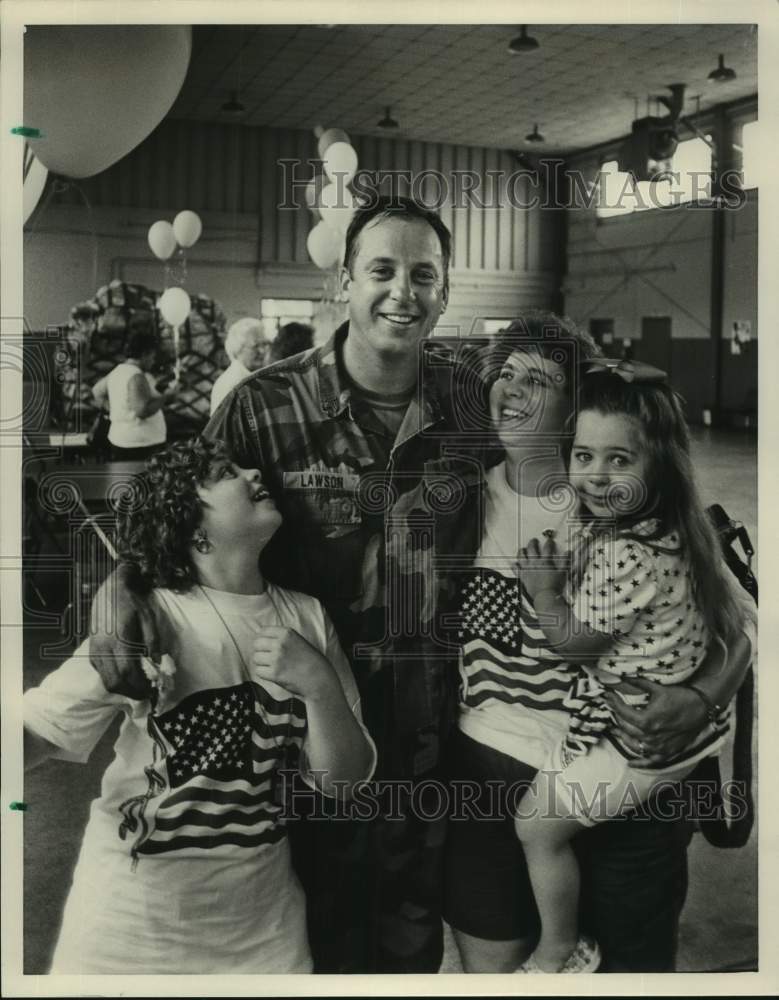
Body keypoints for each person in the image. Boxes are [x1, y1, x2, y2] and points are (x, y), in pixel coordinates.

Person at [87, 204, 752, 974]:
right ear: (344, 281)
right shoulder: (264, 408)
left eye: (423, 275)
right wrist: (116, 595)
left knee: (416, 949)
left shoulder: (477, 405)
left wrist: (706, 690)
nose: (401, 291)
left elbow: (694, 560)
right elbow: (175, 519)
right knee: (317, 943)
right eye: (381, 269)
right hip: (315, 742)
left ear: (443, 294)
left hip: (446, 749)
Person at [430, 318, 756, 973]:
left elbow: (742, 622)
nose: (513, 389)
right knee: (495, 967)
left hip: (622, 780)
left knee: (626, 971)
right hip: (485, 774)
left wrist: (701, 695)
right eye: (505, 374)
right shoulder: (455, 499)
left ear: (574, 402)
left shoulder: (630, 504)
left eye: (539, 377)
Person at [23, 436, 375, 974]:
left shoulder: (307, 617)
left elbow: (345, 782)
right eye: (224, 471)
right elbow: (36, 732)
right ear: (193, 528)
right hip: (126, 931)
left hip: (264, 937)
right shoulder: (146, 621)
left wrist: (320, 685)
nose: (255, 470)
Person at [512, 362, 749, 972]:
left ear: (659, 466)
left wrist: (543, 593)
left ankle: (559, 949)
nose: (596, 475)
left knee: (536, 825)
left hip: (642, 744)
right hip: (668, 739)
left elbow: (575, 646)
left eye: (620, 460)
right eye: (584, 456)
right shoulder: (668, 527)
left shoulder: (625, 553)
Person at [92, 322, 178, 460]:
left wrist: (114, 409)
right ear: (145, 353)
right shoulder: (136, 376)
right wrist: (166, 397)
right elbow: (141, 411)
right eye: (152, 356)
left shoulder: (117, 371)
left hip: (121, 439)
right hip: (140, 444)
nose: (153, 361)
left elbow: (96, 391)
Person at [210, 317, 270, 414]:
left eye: (264, 344)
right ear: (238, 349)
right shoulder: (233, 383)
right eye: (255, 346)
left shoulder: (252, 377)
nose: (262, 351)